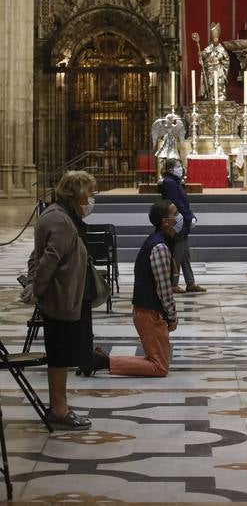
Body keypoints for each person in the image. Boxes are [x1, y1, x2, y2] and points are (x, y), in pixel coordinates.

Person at [24, 170, 97, 429]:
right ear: (76, 193)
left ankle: (60, 405)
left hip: (67, 296)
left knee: (63, 355)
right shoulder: (61, 220)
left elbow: (40, 256)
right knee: (60, 356)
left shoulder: (60, 215)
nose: (91, 198)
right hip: (62, 299)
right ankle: (59, 409)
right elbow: (47, 260)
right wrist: (38, 289)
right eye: (89, 192)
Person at [94, 202, 180, 378]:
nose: (180, 217)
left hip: (147, 311)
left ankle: (101, 360)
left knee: (156, 360)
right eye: (175, 213)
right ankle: (102, 362)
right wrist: (172, 316)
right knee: (159, 366)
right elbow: (164, 289)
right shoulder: (160, 247)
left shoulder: (158, 241)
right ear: (165, 222)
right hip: (150, 313)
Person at [158, 158, 205, 294]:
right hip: (176, 221)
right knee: (177, 254)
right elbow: (177, 203)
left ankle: (190, 283)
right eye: (178, 166)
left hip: (181, 220)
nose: (181, 168)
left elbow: (184, 203)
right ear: (171, 169)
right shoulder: (169, 183)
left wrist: (191, 216)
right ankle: (173, 284)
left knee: (185, 254)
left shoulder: (174, 182)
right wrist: (189, 217)